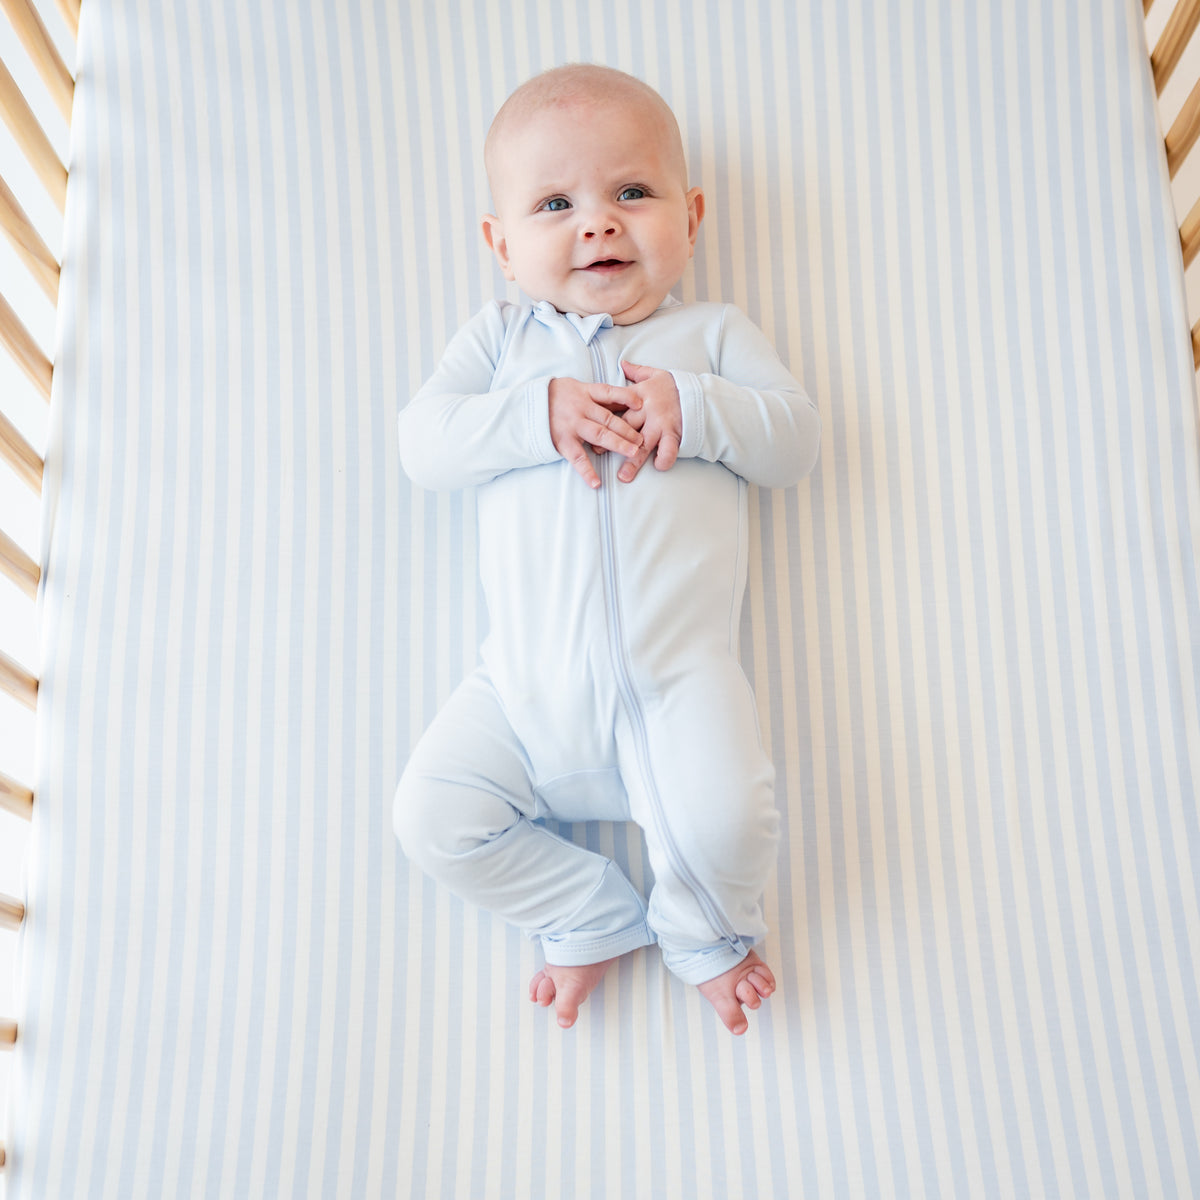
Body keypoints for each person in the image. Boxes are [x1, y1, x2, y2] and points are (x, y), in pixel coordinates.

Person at [394, 63, 820, 1035]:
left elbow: (794, 443)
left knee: (732, 820)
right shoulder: (500, 345)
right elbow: (423, 445)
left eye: (632, 192)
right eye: (556, 204)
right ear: (502, 245)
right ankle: (585, 912)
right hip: (521, 693)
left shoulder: (712, 337)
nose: (598, 224)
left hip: (678, 685)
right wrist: (534, 414)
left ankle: (704, 933)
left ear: (691, 218)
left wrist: (697, 409)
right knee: (431, 819)